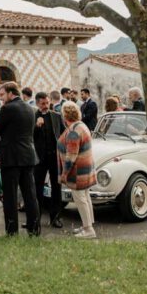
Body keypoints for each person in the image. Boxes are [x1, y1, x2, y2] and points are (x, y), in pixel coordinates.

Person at [0, 81, 39, 237]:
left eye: (2, 95)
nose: (1, 99)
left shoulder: (7, 108)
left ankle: (12, 231)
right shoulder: (30, 108)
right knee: (30, 194)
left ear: (11, 93)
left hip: (11, 157)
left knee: (10, 196)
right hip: (28, 155)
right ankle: (34, 228)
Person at [59, 101, 96, 238]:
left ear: (65, 115)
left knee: (80, 199)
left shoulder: (74, 131)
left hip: (78, 171)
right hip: (86, 168)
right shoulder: (82, 125)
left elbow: (71, 156)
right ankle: (87, 225)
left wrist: (64, 174)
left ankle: (89, 230)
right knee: (85, 197)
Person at [32, 92, 64, 228]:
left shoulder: (56, 116)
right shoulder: (32, 117)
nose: (45, 106)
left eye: (47, 103)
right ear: (37, 103)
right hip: (39, 158)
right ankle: (36, 218)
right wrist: (36, 126)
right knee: (37, 187)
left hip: (54, 156)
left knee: (56, 187)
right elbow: (29, 137)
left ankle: (55, 217)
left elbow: (63, 134)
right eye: (42, 103)